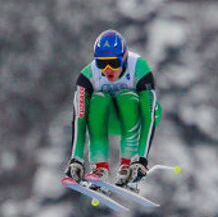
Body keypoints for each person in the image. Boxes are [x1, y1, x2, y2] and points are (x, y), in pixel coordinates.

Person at [64, 29, 162, 189]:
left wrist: (142, 159)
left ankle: (128, 164)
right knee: (97, 100)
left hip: (141, 114)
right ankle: (100, 168)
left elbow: (148, 115)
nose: (108, 69)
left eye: (113, 63)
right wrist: (76, 159)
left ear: (124, 58)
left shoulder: (139, 67)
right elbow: (79, 118)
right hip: (110, 120)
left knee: (127, 98)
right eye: (101, 63)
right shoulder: (87, 76)